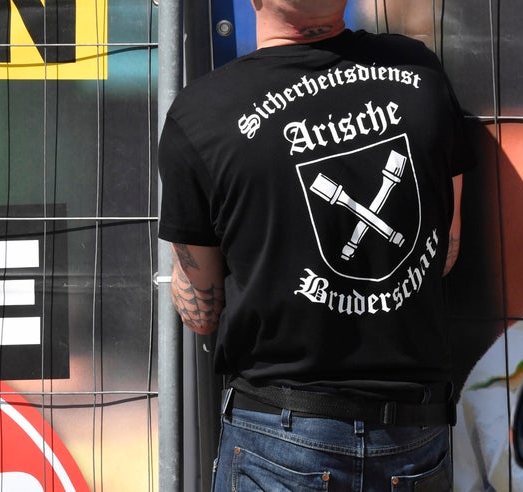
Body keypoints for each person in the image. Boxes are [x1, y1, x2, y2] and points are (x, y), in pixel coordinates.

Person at [157, 0, 474, 490]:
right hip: (415, 433)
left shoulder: (203, 115)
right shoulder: (419, 72)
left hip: (279, 436)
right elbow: (444, 249)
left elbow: (202, 311)